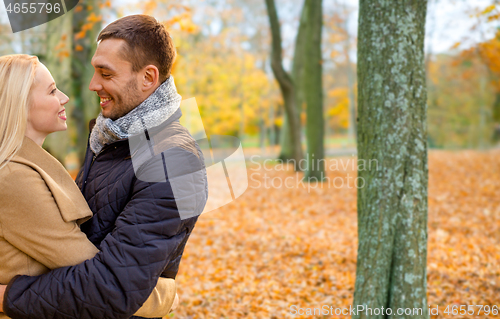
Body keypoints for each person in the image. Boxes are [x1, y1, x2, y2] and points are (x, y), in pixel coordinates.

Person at [0, 15, 207, 319]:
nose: (92, 85)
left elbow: (113, 287)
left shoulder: (172, 160)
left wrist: (8, 295)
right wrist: (164, 297)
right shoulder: (109, 136)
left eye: (105, 74)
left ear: (148, 78)